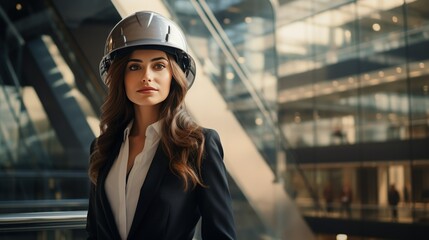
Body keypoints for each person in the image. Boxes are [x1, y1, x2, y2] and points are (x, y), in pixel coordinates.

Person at [86, 11, 236, 240]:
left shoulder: (198, 145)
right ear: (121, 77)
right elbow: (94, 233)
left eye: (158, 66)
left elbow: (221, 236)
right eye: (134, 67)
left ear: (173, 75)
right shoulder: (101, 148)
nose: (147, 76)